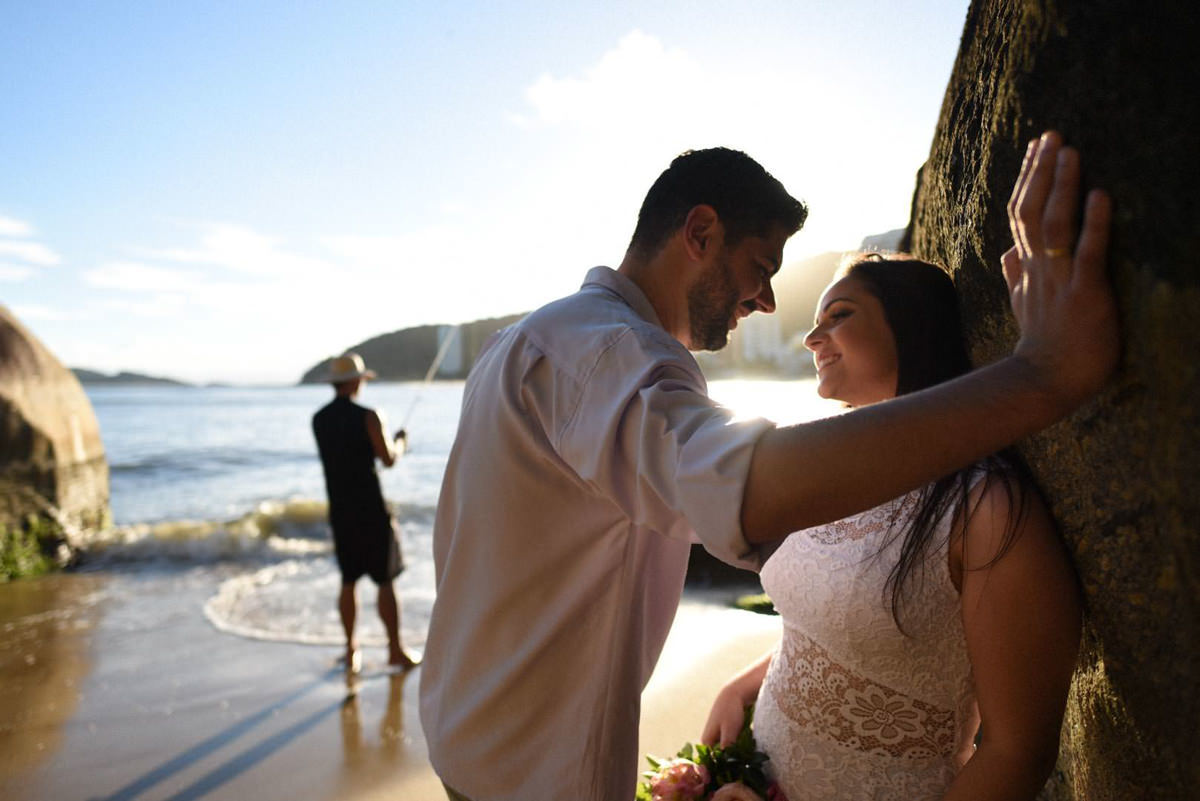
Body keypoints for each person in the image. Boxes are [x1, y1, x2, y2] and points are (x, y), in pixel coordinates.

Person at [419, 133, 1116, 801]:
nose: (767, 302)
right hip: (534, 768)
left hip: (474, 726)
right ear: (700, 234)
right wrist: (1044, 376)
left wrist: (748, 684)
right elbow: (743, 490)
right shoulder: (608, 357)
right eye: (762, 267)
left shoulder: (536, 339)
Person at [701, 253, 1081, 800]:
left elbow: (1018, 753)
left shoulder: (983, 508)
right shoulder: (828, 457)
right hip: (755, 772)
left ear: (910, 325)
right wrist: (743, 686)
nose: (812, 337)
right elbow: (831, 625)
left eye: (839, 315)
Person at [312, 352, 418, 673]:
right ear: (358, 381)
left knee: (348, 580)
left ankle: (350, 650)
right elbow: (387, 459)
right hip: (370, 510)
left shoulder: (319, 419)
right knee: (385, 581)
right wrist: (400, 442)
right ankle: (395, 650)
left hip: (340, 511)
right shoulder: (371, 416)